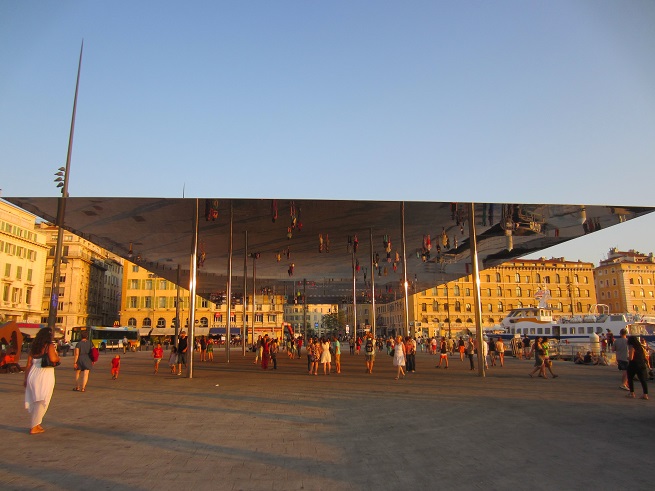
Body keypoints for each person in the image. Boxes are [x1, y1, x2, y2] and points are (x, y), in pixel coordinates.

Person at [24, 327, 59, 434]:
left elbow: (28, 364)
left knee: (36, 399)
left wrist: (26, 379)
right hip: (44, 375)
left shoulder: (34, 347)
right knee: (43, 399)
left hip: (33, 374)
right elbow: (53, 359)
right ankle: (34, 426)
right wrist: (58, 358)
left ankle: (37, 423)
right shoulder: (49, 346)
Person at [626, 336, 649, 400]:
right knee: (643, 380)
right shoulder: (641, 347)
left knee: (630, 378)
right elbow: (644, 356)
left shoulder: (632, 347)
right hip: (641, 364)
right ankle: (645, 394)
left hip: (633, 365)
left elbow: (631, 358)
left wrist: (626, 358)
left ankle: (632, 393)